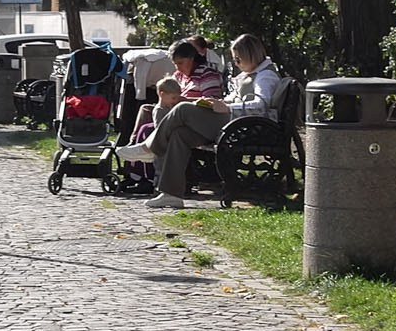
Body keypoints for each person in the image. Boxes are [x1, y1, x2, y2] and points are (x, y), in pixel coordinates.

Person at [120, 34, 282, 209]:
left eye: (238, 58)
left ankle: (150, 148)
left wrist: (227, 108)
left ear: (250, 55)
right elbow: (238, 98)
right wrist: (220, 102)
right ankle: (170, 194)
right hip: (237, 124)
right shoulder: (251, 74)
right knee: (179, 135)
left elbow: (261, 105)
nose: (236, 63)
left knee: (182, 109)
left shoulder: (265, 76)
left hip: (244, 127)